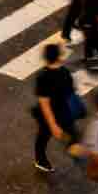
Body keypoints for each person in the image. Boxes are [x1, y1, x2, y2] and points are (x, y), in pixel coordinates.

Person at [33, 44, 84, 173]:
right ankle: (75, 151)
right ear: (59, 58)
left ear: (45, 58)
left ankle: (40, 160)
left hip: (49, 115)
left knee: (43, 138)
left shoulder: (43, 77)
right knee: (72, 135)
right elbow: (71, 92)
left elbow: (44, 103)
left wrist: (52, 124)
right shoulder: (65, 72)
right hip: (64, 111)